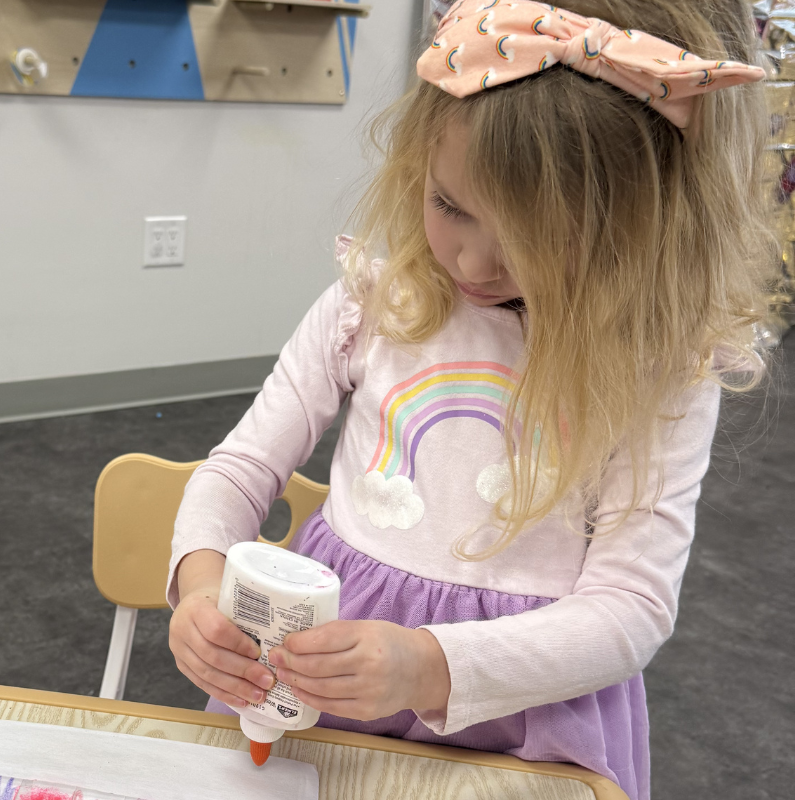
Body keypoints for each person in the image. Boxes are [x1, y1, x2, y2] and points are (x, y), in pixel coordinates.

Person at [165, 2, 773, 798]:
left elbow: (630, 610)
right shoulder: (375, 303)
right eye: (449, 206)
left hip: (526, 720)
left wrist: (427, 665)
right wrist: (201, 586)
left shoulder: (658, 368)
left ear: (645, 222)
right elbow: (239, 469)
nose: (474, 262)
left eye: (538, 236)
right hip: (323, 689)